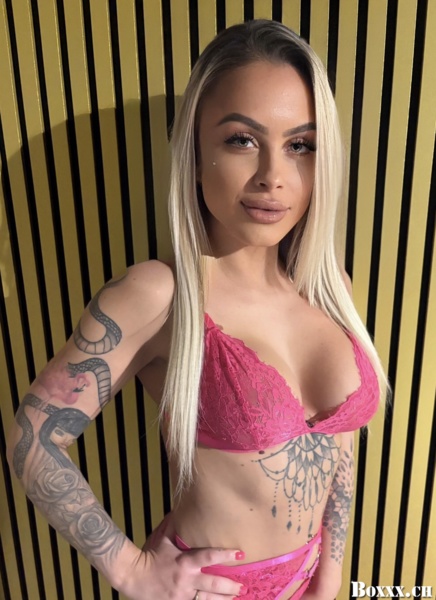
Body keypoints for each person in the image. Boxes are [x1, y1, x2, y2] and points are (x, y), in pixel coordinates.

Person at [6, 19, 387, 600]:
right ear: (195, 149)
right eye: (242, 140)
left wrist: (329, 576)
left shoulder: (330, 286)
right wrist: (132, 572)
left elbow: (340, 443)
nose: (273, 177)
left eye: (300, 146)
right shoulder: (160, 296)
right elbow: (31, 438)